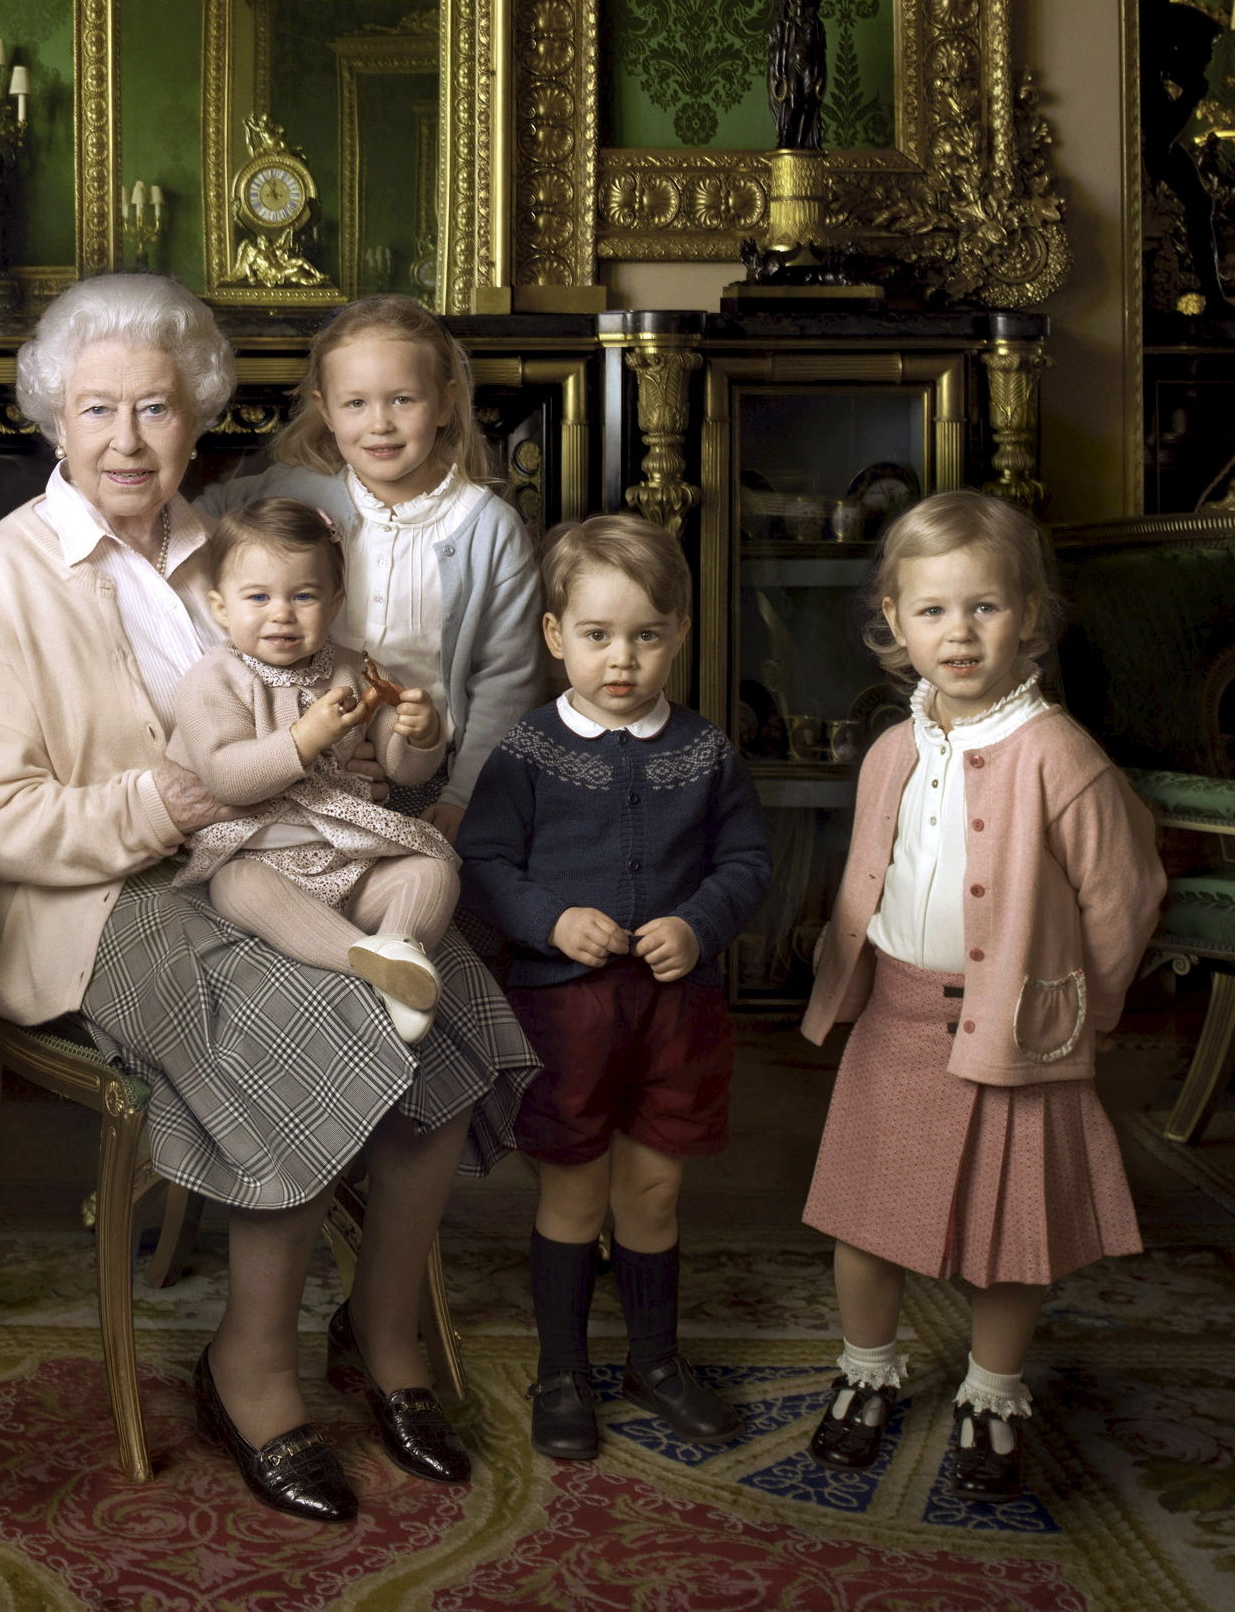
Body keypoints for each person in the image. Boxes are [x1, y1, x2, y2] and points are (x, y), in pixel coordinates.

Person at [0, 276, 534, 1524]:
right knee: (310, 1015)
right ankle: (247, 1365)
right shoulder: (0, 580)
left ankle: (381, 1334)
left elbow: (329, 734)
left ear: (196, 416)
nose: (126, 439)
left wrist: (388, 744)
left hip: (269, 860)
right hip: (93, 897)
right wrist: (171, 806)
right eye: (96, 408)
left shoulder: (239, 548)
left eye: (155, 407)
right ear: (52, 419)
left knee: (449, 998)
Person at [798, 490, 1165, 1500]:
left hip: (1015, 1029)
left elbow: (1123, 896)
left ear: (1029, 616)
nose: (956, 633)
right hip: (896, 1019)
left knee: (1007, 1238)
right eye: (931, 612)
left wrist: (1074, 1009)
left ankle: (991, 1392)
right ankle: (865, 1373)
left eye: (983, 609)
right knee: (863, 1220)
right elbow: (869, 877)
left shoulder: (1059, 755)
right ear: (891, 622)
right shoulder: (889, 750)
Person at [457, 513, 769, 1464]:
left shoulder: (707, 751)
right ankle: (561, 1368)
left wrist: (699, 921)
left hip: (677, 1011)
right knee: (573, 1192)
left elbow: (749, 860)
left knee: (657, 1187)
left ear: (678, 631)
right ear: (556, 636)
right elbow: (483, 861)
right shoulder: (528, 750)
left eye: (644, 634)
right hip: (568, 1011)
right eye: (596, 635)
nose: (620, 659)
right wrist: (550, 919)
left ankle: (656, 1360)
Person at [203, 294, 548, 827]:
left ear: (446, 402)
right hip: (300, 754)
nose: (379, 424)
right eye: (355, 403)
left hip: (429, 768)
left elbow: (506, 684)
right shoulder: (295, 491)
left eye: (403, 399)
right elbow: (194, 525)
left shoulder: (489, 530)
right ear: (325, 410)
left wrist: (463, 796)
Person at [165, 496, 461, 1039]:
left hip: (347, 852)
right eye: (258, 597)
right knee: (236, 887)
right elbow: (225, 775)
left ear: (335, 602)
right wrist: (303, 739)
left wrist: (420, 735)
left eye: (303, 596)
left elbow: (403, 773)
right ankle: (369, 962)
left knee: (433, 871)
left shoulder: (353, 669)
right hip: (260, 847)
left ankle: (400, 945)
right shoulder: (214, 680)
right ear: (221, 607)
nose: (281, 613)